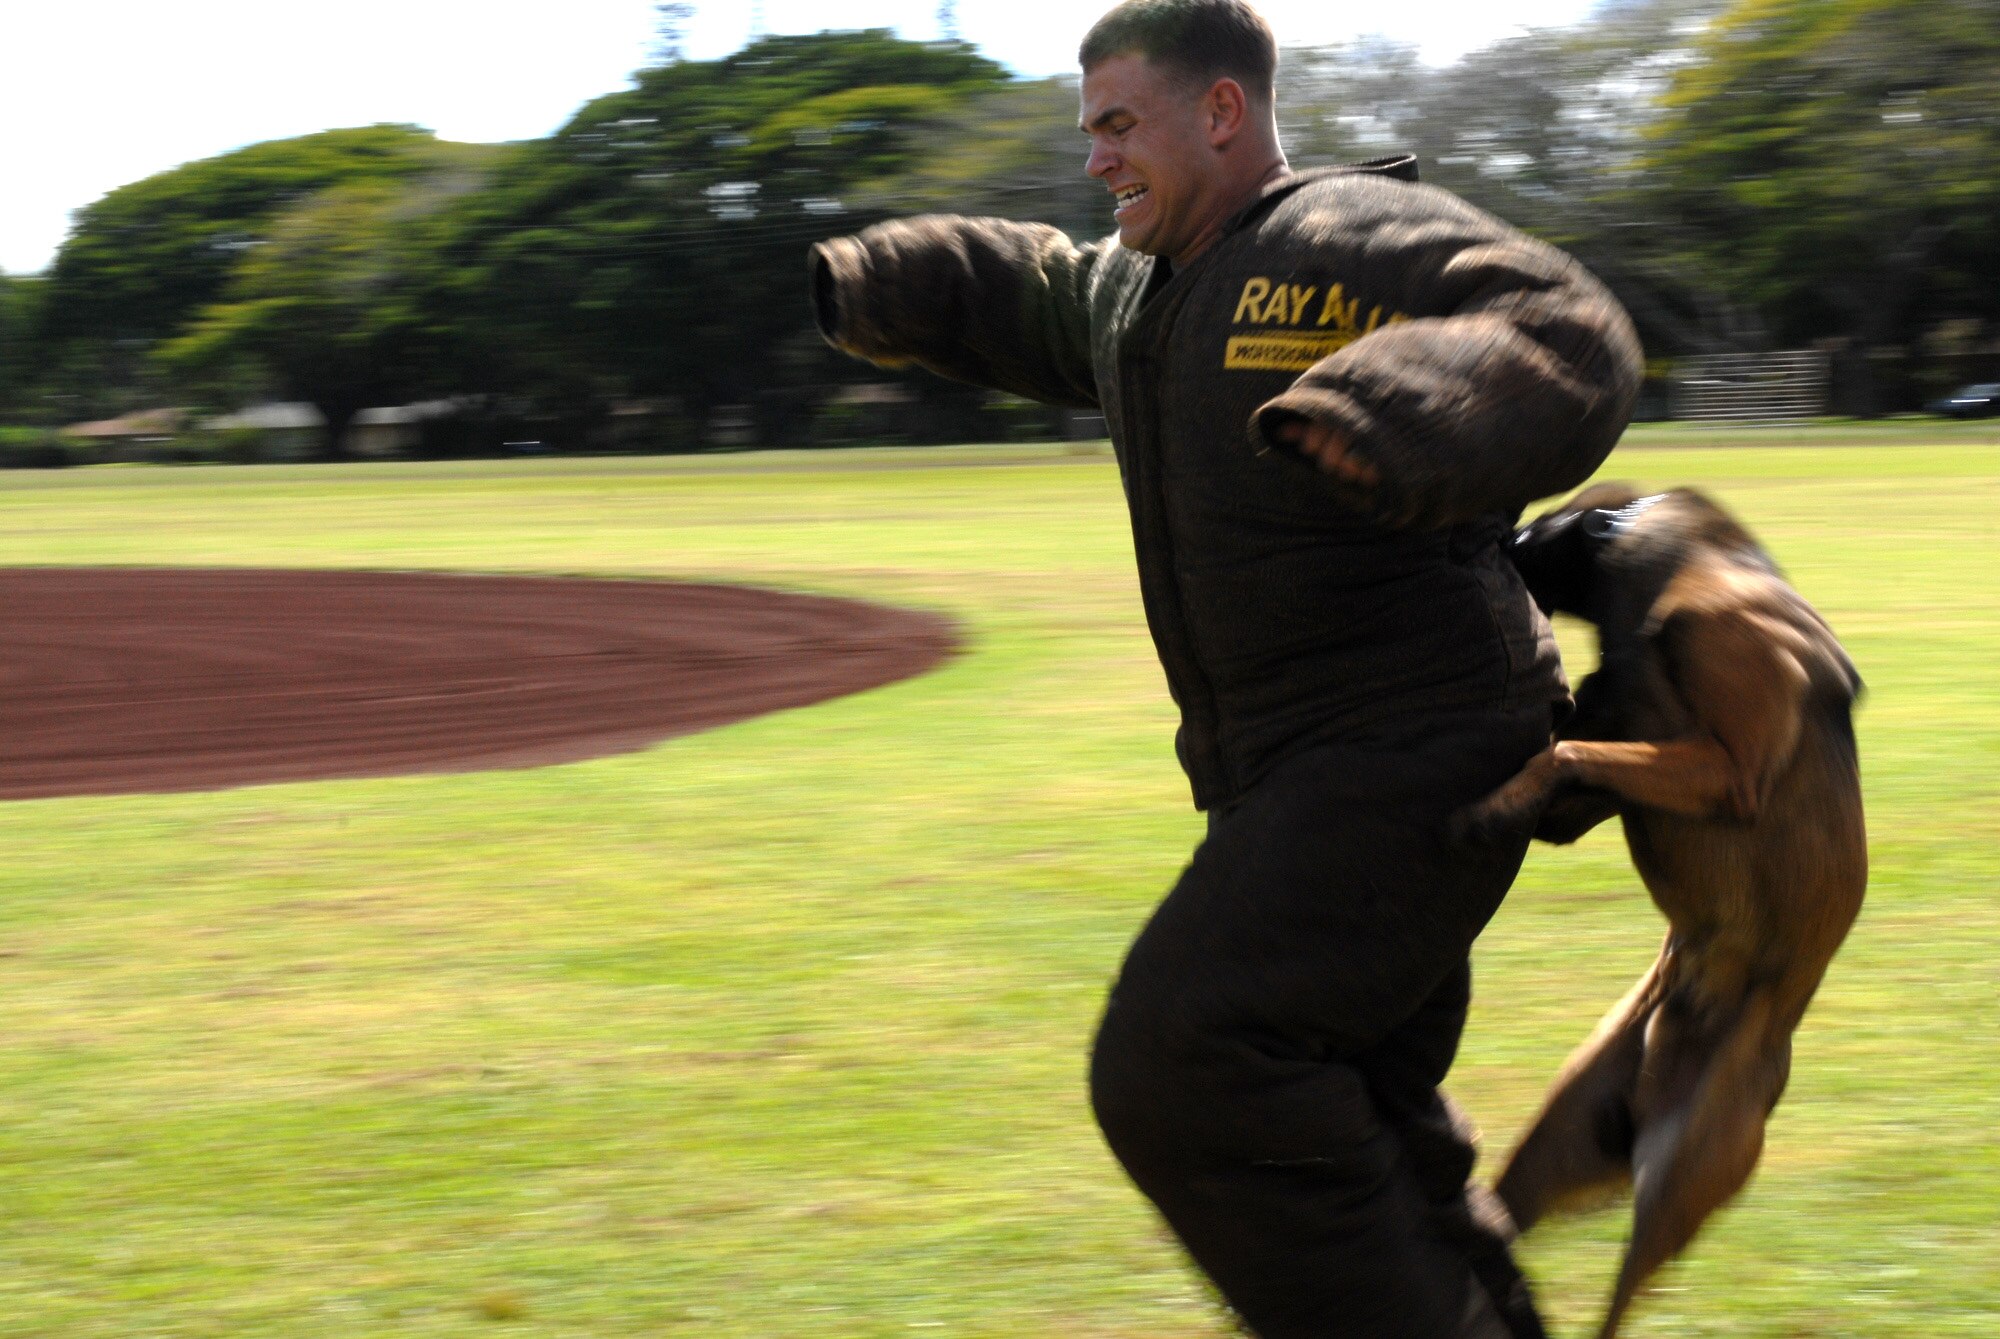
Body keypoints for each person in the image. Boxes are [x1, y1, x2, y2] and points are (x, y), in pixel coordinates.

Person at [808, 2, 1642, 1334]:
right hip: (1290, 774)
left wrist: (1403, 408)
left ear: (1221, 114)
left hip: (1419, 748)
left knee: (1188, 1067)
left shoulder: (1345, 240)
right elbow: (1033, 291)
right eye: (1088, 133)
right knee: (1350, 1107)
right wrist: (900, 278)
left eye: (1120, 125)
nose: (1096, 160)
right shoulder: (1140, 289)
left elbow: (1569, 329)